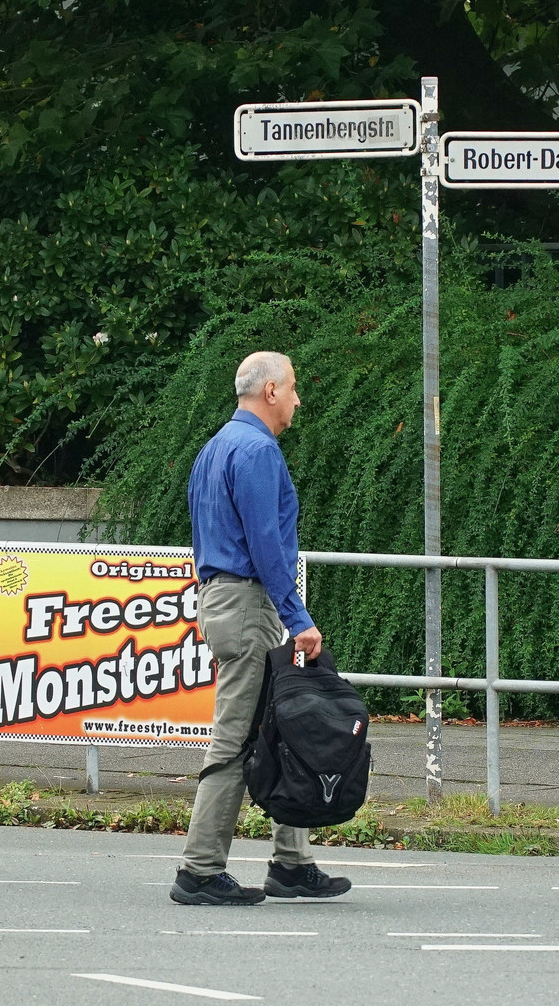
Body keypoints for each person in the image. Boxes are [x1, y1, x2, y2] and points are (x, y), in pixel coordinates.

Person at [171, 351, 352, 905]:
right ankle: (199, 871)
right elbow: (265, 544)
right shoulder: (256, 451)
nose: (299, 399)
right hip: (249, 604)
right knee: (235, 738)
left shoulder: (216, 446)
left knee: (283, 728)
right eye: (294, 388)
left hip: (225, 598)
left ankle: (292, 863)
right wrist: (298, 619)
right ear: (271, 391)